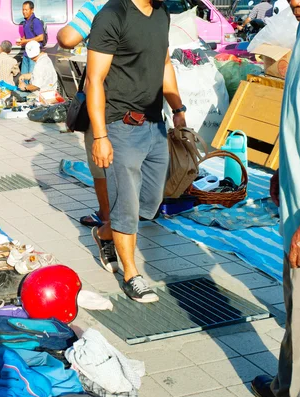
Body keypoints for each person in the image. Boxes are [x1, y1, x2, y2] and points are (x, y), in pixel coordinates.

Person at [86, 0, 187, 303]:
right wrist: (100, 136)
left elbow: (165, 63)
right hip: (121, 124)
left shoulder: (161, 12)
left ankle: (105, 233)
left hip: (155, 124)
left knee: (150, 203)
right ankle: (131, 274)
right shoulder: (112, 15)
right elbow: (94, 79)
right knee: (126, 203)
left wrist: (177, 107)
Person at [251, 2, 300, 397]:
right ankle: (284, 386)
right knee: (297, 309)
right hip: (296, 198)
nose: (294, 1)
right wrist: (280, 168)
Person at [57, 0, 109, 229]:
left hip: (105, 96)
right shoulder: (150, 8)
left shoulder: (98, 6)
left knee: (100, 161)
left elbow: (67, 38)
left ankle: (106, 216)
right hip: (140, 98)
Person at [16, 1, 45, 74]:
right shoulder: (25, 22)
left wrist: (25, 41)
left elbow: (41, 37)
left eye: (26, 10)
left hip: (34, 54)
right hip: (26, 53)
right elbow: (27, 36)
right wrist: (22, 41)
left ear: (32, 10)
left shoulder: (36, 21)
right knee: (23, 77)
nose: (24, 12)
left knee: (32, 77)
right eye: (23, 10)